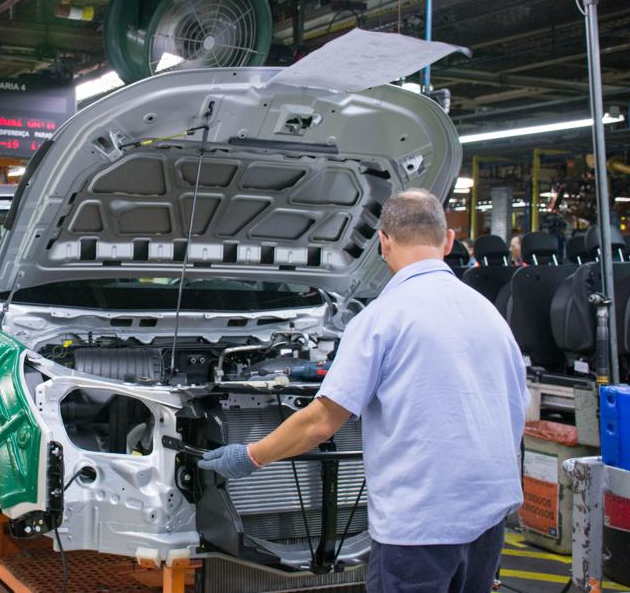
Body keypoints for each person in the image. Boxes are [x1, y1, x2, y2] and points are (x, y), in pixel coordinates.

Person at [199, 189, 528, 593]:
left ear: (383, 242)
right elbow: (515, 411)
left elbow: (322, 422)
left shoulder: (381, 319)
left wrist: (250, 456)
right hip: (488, 520)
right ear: (448, 241)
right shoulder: (490, 315)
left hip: (420, 527)